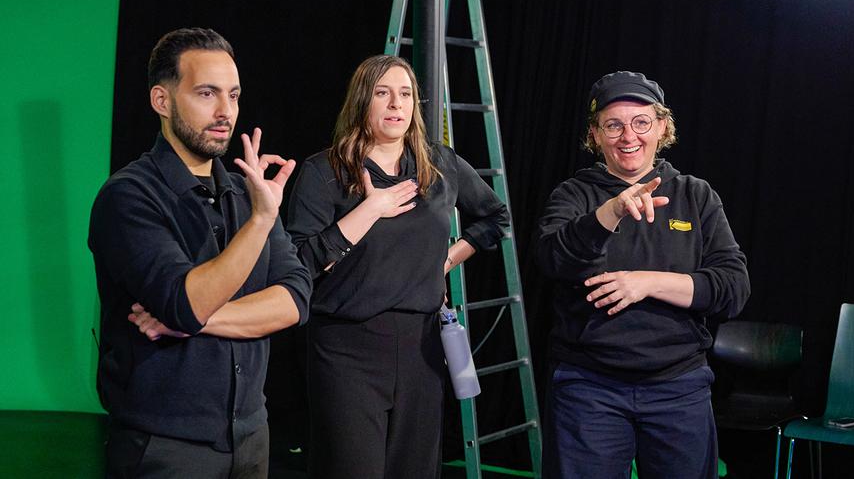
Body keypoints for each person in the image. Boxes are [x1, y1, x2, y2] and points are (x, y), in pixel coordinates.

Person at [88, 27, 312, 477]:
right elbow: (186, 302)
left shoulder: (248, 193)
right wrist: (262, 223)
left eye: (233, 95)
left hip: (251, 439)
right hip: (163, 447)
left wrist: (195, 323)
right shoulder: (129, 197)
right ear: (162, 101)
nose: (225, 111)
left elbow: (295, 299)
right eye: (207, 93)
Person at [284, 54, 509, 479]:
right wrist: (369, 210)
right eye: (382, 93)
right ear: (361, 102)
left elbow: (495, 219)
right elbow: (298, 262)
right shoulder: (324, 171)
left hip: (421, 347)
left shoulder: (438, 164)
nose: (395, 104)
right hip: (346, 348)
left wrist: (444, 260)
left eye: (405, 94)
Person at [535, 71, 750, 479]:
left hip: (679, 387)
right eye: (613, 125)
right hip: (588, 389)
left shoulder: (695, 195)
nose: (627, 136)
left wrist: (646, 282)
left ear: (662, 127)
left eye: (641, 122)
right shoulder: (573, 195)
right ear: (595, 135)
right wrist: (612, 211)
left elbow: (733, 288)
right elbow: (553, 259)